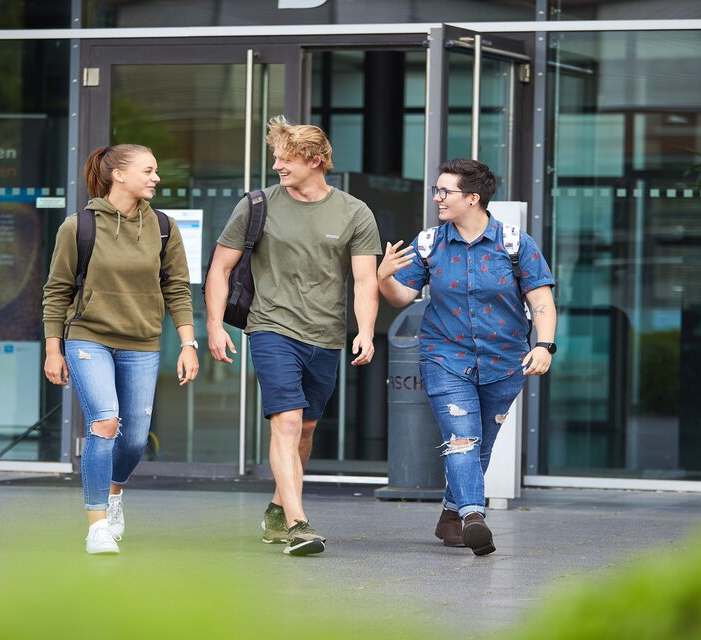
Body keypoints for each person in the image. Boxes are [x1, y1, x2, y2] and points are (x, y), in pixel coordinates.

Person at [205, 116, 381, 557]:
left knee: (305, 427)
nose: (278, 165)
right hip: (271, 326)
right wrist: (212, 324)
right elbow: (220, 268)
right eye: (276, 157)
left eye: (287, 158)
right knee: (284, 420)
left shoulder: (354, 212)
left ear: (316, 161)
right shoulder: (257, 205)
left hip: (326, 334)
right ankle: (300, 524)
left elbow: (364, 280)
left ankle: (279, 507)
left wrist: (366, 331)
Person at [377, 158, 556, 556]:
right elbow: (401, 297)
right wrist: (384, 276)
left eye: (445, 191)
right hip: (444, 357)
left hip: (505, 361)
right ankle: (474, 516)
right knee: (462, 440)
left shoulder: (514, 243)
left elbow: (541, 302)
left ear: (473, 198)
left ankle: (450, 514)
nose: (437, 197)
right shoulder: (429, 243)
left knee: (482, 444)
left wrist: (544, 345)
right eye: (437, 190)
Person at [42, 144, 199, 555]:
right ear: (119, 175)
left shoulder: (164, 228)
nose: (156, 178)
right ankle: (96, 526)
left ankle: (113, 494)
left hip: (143, 342)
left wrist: (187, 343)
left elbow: (177, 289)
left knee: (132, 442)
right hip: (88, 337)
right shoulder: (78, 227)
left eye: (156, 171)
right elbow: (57, 292)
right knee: (105, 423)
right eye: (148, 170)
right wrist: (53, 349)